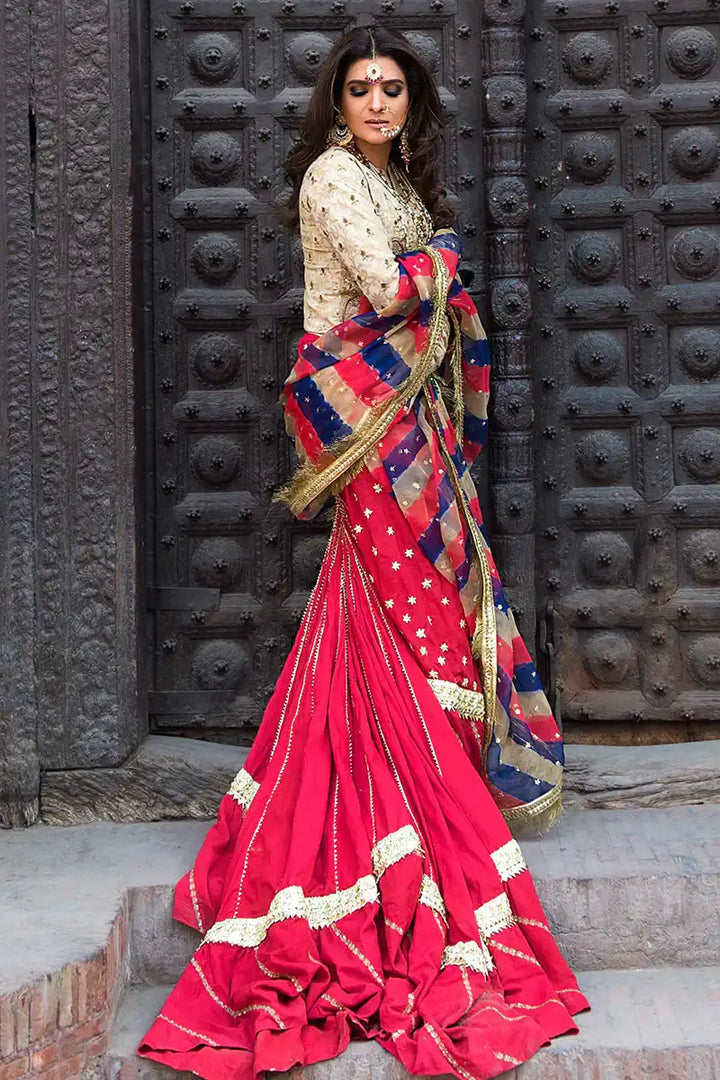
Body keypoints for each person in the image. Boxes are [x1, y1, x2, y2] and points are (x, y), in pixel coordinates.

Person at [138, 25, 589, 1080]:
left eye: (392, 88)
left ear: (409, 101)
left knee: (387, 603)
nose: (378, 103)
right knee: (410, 598)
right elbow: (390, 294)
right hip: (366, 421)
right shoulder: (336, 177)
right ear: (335, 104)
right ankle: (422, 801)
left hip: (400, 416)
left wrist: (433, 264)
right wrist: (443, 261)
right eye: (360, 88)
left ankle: (415, 783)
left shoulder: (394, 183)